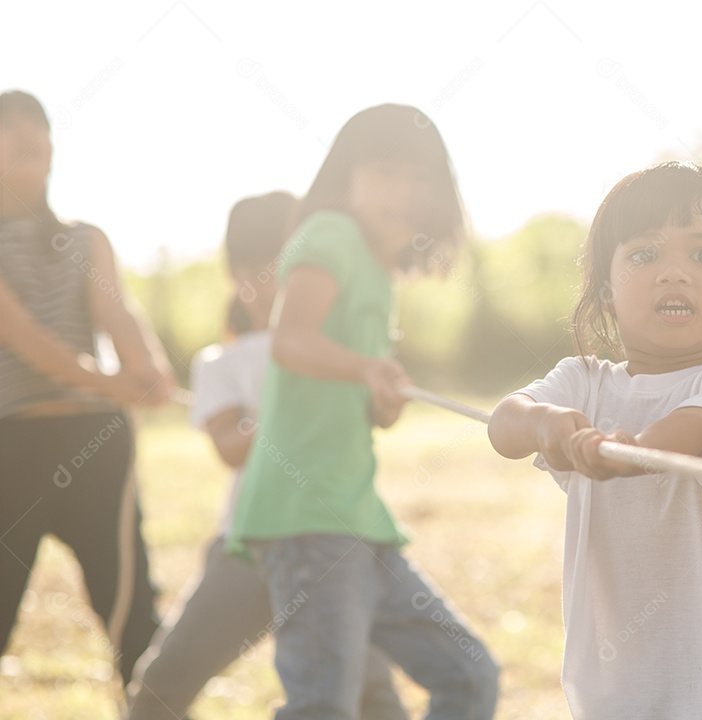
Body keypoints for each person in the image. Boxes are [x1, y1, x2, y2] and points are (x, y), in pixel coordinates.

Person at [487, 161, 702, 719]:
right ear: (606, 287)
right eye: (644, 255)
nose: (673, 274)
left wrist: (632, 453)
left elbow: (693, 431)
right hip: (617, 687)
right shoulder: (583, 380)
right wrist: (544, 424)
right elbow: (504, 423)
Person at [227, 104, 499, 720]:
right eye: (383, 172)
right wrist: (364, 368)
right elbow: (290, 339)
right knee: (323, 705)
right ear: (345, 180)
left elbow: (364, 402)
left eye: (416, 177)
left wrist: (380, 397)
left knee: (469, 676)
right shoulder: (330, 236)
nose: (401, 191)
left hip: (358, 517)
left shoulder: (378, 273)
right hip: (309, 518)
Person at [126, 192, 408, 719]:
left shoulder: (336, 352)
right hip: (250, 547)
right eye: (283, 267)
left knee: (373, 697)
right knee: (163, 683)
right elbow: (231, 449)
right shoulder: (222, 364)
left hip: (329, 546)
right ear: (242, 274)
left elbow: (375, 415)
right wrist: (281, 415)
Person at [0, 89, 173, 688]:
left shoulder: (84, 239)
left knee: (130, 610)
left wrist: (148, 367)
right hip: (11, 449)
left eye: (36, 126)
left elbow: (118, 314)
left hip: (96, 443)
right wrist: (113, 382)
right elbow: (24, 337)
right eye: (9, 127)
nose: (25, 135)